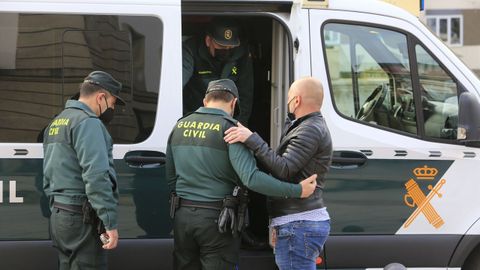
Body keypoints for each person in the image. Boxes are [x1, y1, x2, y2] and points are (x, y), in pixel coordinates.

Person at [166, 78, 318, 270]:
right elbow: (251, 178)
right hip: (217, 221)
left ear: (205, 101)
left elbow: (170, 178)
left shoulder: (179, 126)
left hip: (182, 217)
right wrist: (297, 190)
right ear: (233, 103)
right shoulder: (231, 129)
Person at [224, 77, 333, 270]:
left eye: (289, 98)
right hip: (295, 221)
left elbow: (284, 169)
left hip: (298, 223)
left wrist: (252, 139)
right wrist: (276, 222)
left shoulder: (309, 130)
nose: (288, 103)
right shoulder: (306, 126)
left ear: (297, 101)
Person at [43, 71, 123, 270]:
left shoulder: (57, 121)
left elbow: (48, 174)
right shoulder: (88, 123)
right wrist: (109, 222)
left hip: (60, 215)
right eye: (112, 102)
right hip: (81, 219)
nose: (112, 108)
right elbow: (96, 175)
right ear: (101, 97)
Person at [182, 18, 253, 125]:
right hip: (195, 119)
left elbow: (245, 94)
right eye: (221, 46)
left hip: (227, 121)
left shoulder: (241, 55)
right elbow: (177, 86)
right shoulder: (191, 50)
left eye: (230, 47)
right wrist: (185, 122)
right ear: (208, 40)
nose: (227, 50)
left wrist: (238, 126)